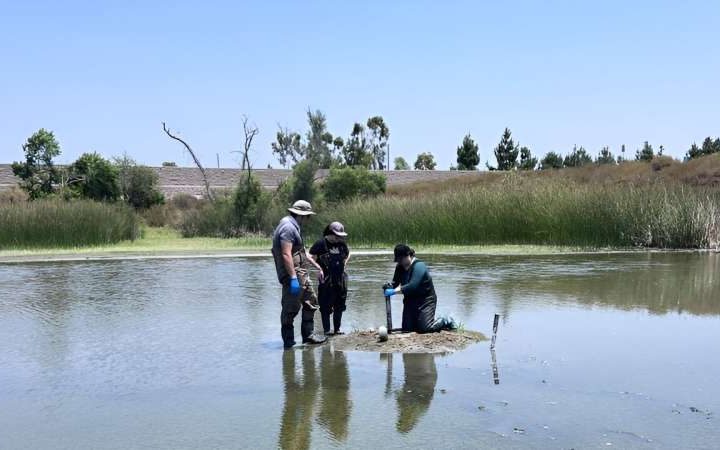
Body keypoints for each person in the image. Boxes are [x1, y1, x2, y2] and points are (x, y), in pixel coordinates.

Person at [272, 200, 327, 348]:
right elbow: (285, 254)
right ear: (301, 216)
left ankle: (308, 336)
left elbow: (301, 253)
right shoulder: (288, 228)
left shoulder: (293, 226)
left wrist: (318, 268)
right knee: (290, 309)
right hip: (294, 275)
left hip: (301, 273)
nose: (308, 220)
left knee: (311, 302)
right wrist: (293, 278)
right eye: (307, 216)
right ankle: (288, 344)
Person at [383, 244, 454, 333]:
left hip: (426, 301)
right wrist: (389, 287)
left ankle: (445, 320)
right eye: (398, 260)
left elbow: (412, 286)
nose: (399, 262)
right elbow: (395, 283)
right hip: (410, 301)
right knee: (407, 330)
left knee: (425, 328)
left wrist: (393, 291)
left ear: (408, 255)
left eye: (400, 259)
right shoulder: (399, 267)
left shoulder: (419, 266)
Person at [309, 222, 350, 336]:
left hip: (341, 279)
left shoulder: (342, 243)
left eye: (340, 236)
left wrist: (344, 264)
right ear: (330, 233)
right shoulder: (321, 243)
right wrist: (318, 268)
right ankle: (327, 331)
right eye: (336, 236)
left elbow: (348, 254)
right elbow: (310, 257)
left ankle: (337, 329)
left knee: (340, 305)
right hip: (326, 279)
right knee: (325, 306)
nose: (338, 239)